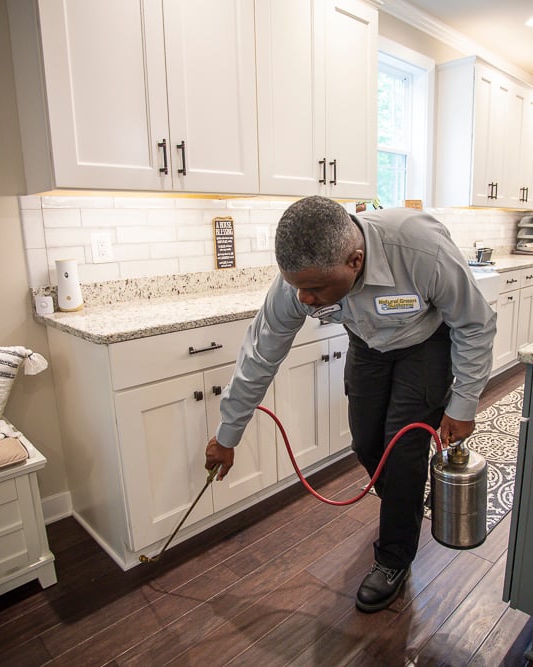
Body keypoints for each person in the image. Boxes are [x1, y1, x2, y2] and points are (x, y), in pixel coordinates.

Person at [204, 195, 496, 612]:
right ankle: (404, 500)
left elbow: (474, 323)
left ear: (355, 261)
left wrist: (463, 405)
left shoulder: (421, 250)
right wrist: (227, 434)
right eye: (297, 287)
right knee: (365, 444)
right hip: (367, 344)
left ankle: (393, 558)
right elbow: (260, 353)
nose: (304, 299)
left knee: (401, 451)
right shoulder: (299, 284)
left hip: (425, 344)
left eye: (316, 289)